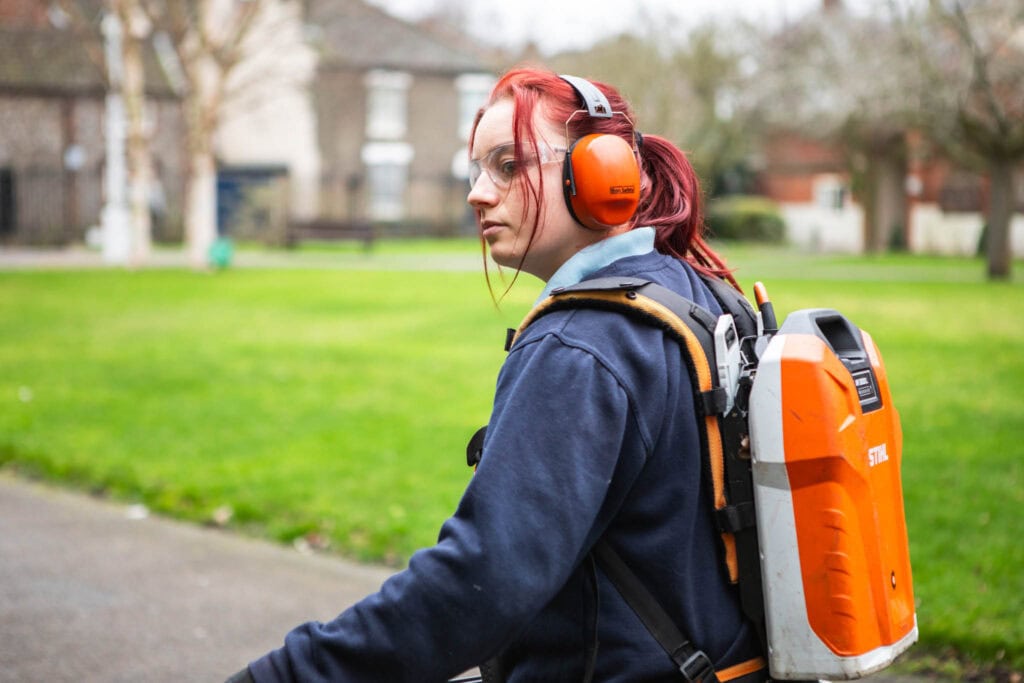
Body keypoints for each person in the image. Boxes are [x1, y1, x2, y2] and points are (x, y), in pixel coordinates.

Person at [226, 67, 764, 683]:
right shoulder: (698, 296)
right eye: (478, 169)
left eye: (509, 165)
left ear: (602, 171)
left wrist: (290, 675)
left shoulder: (582, 348)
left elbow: (478, 585)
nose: (478, 193)